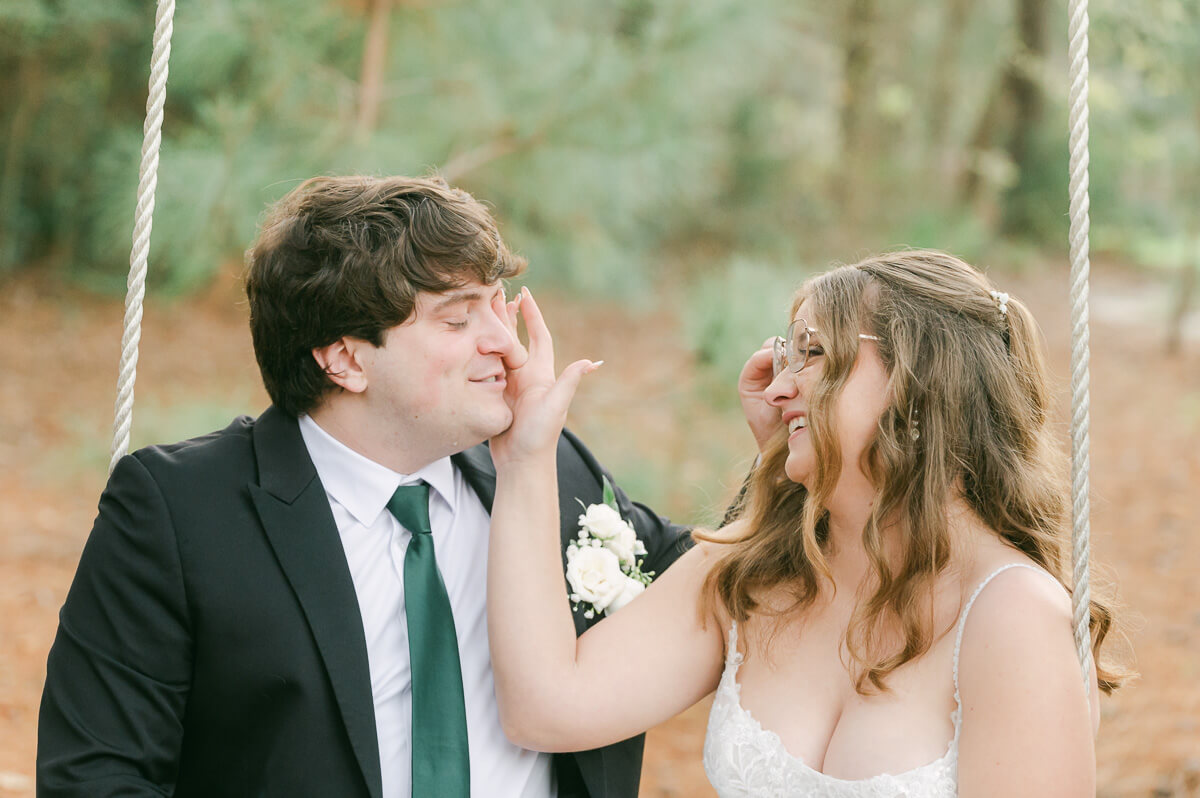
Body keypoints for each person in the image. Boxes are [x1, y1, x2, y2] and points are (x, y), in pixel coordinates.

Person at [36, 175, 734, 798]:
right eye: (459, 319)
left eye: (499, 307)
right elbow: (97, 774)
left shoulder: (552, 469)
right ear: (344, 359)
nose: (506, 343)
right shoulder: (179, 510)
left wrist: (797, 447)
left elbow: (729, 579)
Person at [487, 250, 1127, 797]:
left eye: (812, 355)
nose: (775, 389)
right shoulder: (757, 574)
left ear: (919, 385)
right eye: (784, 354)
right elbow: (547, 706)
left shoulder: (1013, 615)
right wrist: (524, 459)